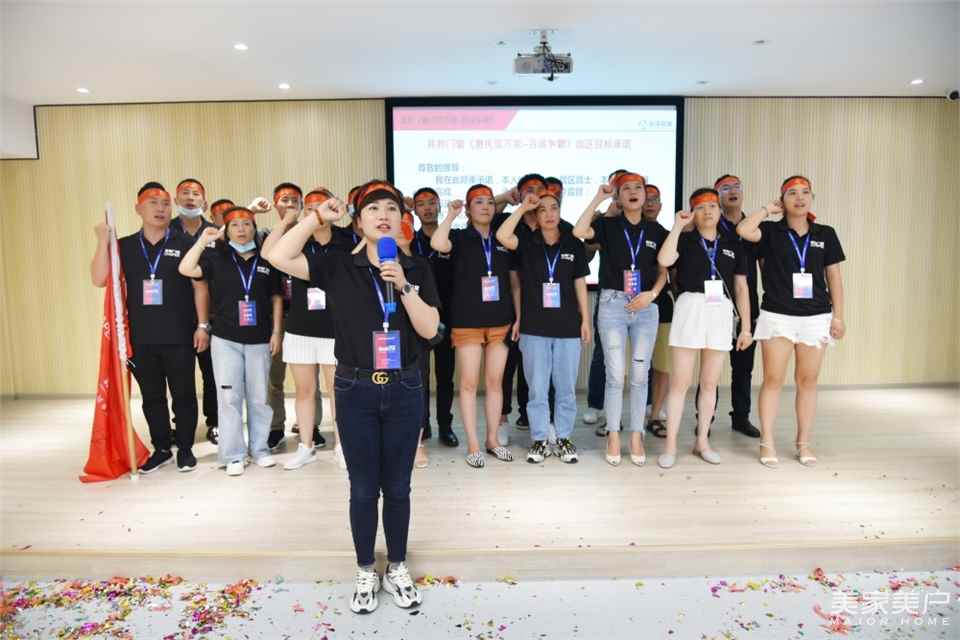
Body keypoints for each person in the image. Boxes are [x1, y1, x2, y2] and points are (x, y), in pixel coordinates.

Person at [270, 181, 440, 613]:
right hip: (354, 388)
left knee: (398, 487)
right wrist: (315, 217)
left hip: (405, 387)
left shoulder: (416, 268)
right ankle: (366, 568)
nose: (383, 215)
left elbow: (429, 329)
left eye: (391, 209)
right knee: (363, 487)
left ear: (401, 220)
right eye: (373, 209)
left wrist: (404, 286)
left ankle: (397, 565)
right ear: (358, 221)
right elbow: (279, 256)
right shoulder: (338, 266)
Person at [89, 182, 202, 473]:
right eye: (153, 202)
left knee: (184, 395)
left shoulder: (185, 243)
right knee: (152, 398)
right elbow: (99, 279)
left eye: (165, 204)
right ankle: (162, 448)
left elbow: (199, 288)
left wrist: (202, 325)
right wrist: (102, 241)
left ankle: (185, 448)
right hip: (140, 338)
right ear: (138, 208)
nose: (160, 209)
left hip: (179, 335)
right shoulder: (124, 246)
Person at [737, 176, 846, 467]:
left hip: (816, 316)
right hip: (777, 315)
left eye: (805, 192)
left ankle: (803, 443)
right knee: (773, 380)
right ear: (782, 199)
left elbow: (834, 277)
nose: (800, 198)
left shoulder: (825, 233)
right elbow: (744, 230)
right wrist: (766, 210)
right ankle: (767, 442)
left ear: (812, 197)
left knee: (808, 381)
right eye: (792, 193)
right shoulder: (770, 231)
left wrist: (838, 316)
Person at [178, 206, 283, 476]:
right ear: (226, 230)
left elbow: (276, 298)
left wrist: (276, 332)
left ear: (254, 228)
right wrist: (203, 241)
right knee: (229, 398)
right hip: (226, 340)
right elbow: (186, 268)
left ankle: (260, 449)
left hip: (260, 338)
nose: (241, 229)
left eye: (247, 224)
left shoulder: (266, 259)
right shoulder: (216, 257)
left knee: (259, 398)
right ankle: (233, 454)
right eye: (235, 225)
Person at [573, 172, 667, 466]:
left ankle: (636, 434)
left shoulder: (656, 231)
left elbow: (663, 270)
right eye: (626, 188)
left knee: (640, 375)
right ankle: (613, 434)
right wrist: (598, 198)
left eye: (638, 187)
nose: (633, 192)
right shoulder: (607, 225)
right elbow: (579, 230)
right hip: (613, 304)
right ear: (618, 196)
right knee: (615, 375)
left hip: (646, 306)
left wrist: (652, 294)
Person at [656, 188, 753, 468]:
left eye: (712, 206)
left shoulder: (733, 243)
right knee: (680, 383)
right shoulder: (684, 240)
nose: (707, 211)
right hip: (690, 306)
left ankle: (702, 442)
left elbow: (741, 287)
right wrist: (677, 226)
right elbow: (664, 261)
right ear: (692, 213)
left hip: (720, 310)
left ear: (720, 211)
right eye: (700, 207)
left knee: (709, 383)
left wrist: (746, 328)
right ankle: (670, 445)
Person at [497, 192, 591, 464]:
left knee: (565, 388)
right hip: (533, 326)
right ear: (535, 216)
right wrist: (522, 207)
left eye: (554, 208)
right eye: (542, 210)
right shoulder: (527, 243)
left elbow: (580, 283)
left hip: (568, 326)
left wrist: (585, 320)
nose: (549, 214)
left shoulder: (572, 243)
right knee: (537, 388)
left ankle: (563, 437)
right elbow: (503, 235)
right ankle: (539, 439)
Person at [262, 188, 349, 470]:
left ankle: (342, 446)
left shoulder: (347, 238)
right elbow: (268, 253)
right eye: (310, 208)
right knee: (304, 391)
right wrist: (289, 221)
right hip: (300, 328)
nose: (317, 212)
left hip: (336, 328)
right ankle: (306, 446)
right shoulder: (297, 238)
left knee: (338, 391)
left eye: (322, 206)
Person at [431, 184, 515, 468]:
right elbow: (437, 244)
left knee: (495, 383)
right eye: (478, 202)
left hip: (500, 321)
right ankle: (473, 445)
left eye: (490, 202)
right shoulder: (458, 236)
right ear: (468, 209)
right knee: (467, 384)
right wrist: (450, 215)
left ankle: (492, 440)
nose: (485, 206)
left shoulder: (502, 237)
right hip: (467, 321)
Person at [694, 175, 763, 438]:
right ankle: (705, 419)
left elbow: (764, 263)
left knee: (744, 366)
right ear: (717, 196)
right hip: (714, 305)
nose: (732, 191)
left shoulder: (753, 226)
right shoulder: (710, 223)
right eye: (725, 188)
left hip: (746, 303)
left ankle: (741, 417)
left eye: (736, 187)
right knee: (709, 368)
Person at [262, 183, 327, 451]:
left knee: (311, 378)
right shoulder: (269, 234)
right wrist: (286, 221)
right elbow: (268, 255)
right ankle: (275, 426)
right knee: (274, 378)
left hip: (311, 313)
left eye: (295, 201)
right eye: (284, 200)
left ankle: (311, 427)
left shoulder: (309, 234)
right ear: (274, 204)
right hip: (279, 315)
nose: (290, 204)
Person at [168, 178, 219, 443]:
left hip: (213, 316)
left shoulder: (216, 233)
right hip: (176, 316)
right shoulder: (165, 231)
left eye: (195, 194)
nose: (190, 198)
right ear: (175, 200)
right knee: (180, 377)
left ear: (204, 202)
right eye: (185, 193)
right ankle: (183, 426)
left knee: (213, 374)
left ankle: (215, 423)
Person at [410, 187, 458, 449]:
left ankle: (445, 426)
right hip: (418, 316)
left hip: (448, 314)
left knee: (445, 375)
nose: (427, 208)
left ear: (440, 206)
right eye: (421, 204)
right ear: (414, 210)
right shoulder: (410, 241)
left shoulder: (451, 237)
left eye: (432, 203)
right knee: (420, 374)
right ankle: (422, 424)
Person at [583, 168, 629, 436]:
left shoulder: (641, 217)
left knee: (638, 358)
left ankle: (644, 405)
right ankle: (595, 404)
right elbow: (586, 256)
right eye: (618, 186)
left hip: (640, 297)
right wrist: (605, 216)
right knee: (604, 352)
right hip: (610, 294)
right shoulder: (602, 220)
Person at [641, 184, 672, 439]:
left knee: (662, 365)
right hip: (623, 306)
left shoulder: (665, 234)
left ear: (661, 206)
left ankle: (654, 416)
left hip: (661, 304)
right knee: (624, 367)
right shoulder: (620, 228)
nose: (650, 204)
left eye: (655, 200)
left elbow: (672, 271)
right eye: (646, 199)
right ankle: (615, 419)